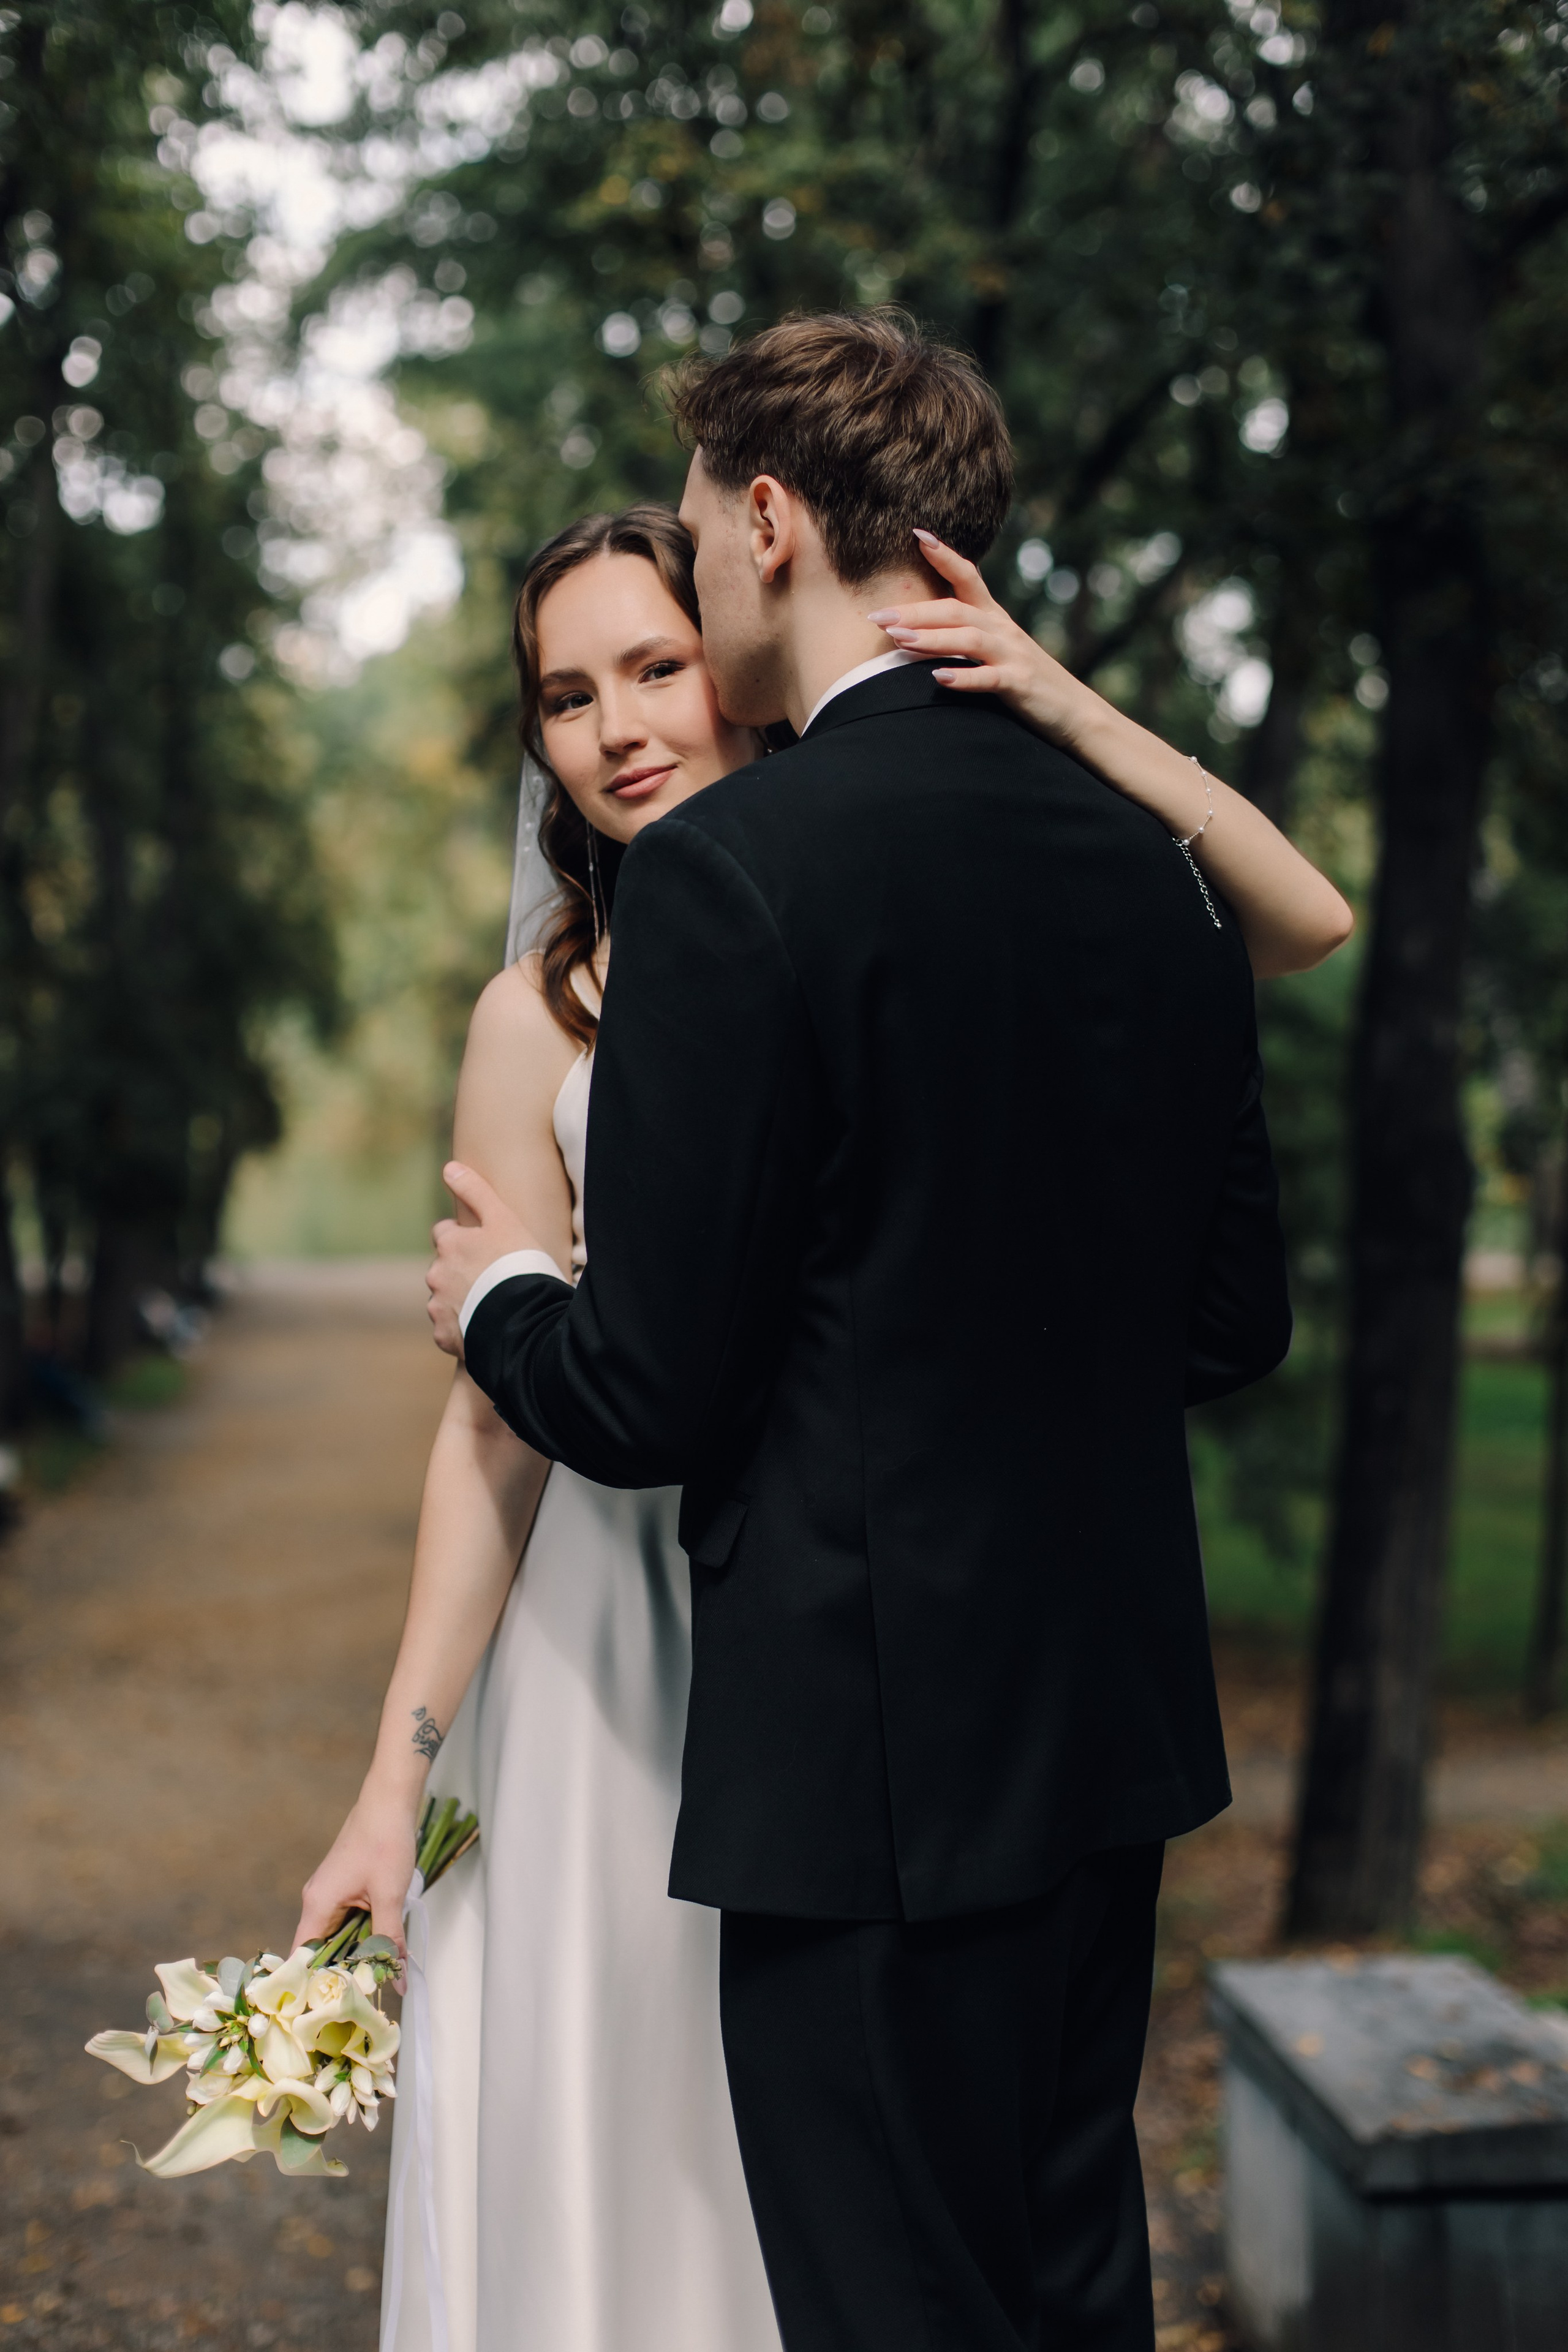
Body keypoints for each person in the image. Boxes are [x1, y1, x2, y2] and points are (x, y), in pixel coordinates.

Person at [420, 312, 1324, 2352]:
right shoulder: (1156, 860)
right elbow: (1228, 1318)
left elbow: (643, 1397)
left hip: (865, 1771)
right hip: (1102, 1742)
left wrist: (496, 1304)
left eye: (693, 557)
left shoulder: (736, 878)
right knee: (1068, 2290)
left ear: (764, 521)